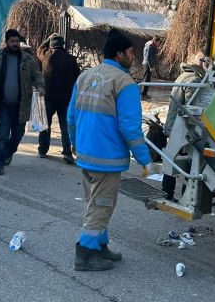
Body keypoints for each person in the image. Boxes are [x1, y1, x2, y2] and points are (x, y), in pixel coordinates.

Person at [68, 28, 154, 271]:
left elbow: (71, 115)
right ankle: (84, 254)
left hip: (86, 154)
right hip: (107, 158)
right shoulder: (124, 82)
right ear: (118, 54)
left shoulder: (85, 76)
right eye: (130, 52)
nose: (133, 57)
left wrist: (75, 142)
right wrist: (145, 160)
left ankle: (99, 246)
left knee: (93, 203)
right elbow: (130, 128)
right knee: (102, 205)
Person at [0, 29, 45, 176]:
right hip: (3, 105)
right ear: (6, 42)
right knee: (3, 135)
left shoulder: (27, 59)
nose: (15, 44)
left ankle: (9, 152)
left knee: (18, 134)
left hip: (21, 105)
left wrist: (40, 86)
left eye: (17, 41)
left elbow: (37, 75)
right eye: (12, 41)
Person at [162, 52, 207, 201]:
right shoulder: (194, 79)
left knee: (172, 158)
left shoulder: (183, 75)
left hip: (173, 125)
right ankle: (184, 195)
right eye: (203, 61)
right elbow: (192, 108)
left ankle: (167, 193)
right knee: (189, 161)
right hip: (182, 128)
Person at [36, 33, 80, 164]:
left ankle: (42, 150)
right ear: (63, 45)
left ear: (51, 45)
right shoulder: (71, 59)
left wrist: (47, 38)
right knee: (65, 126)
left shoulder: (45, 56)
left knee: (45, 125)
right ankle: (67, 153)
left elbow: (39, 49)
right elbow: (77, 77)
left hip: (48, 97)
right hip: (66, 98)